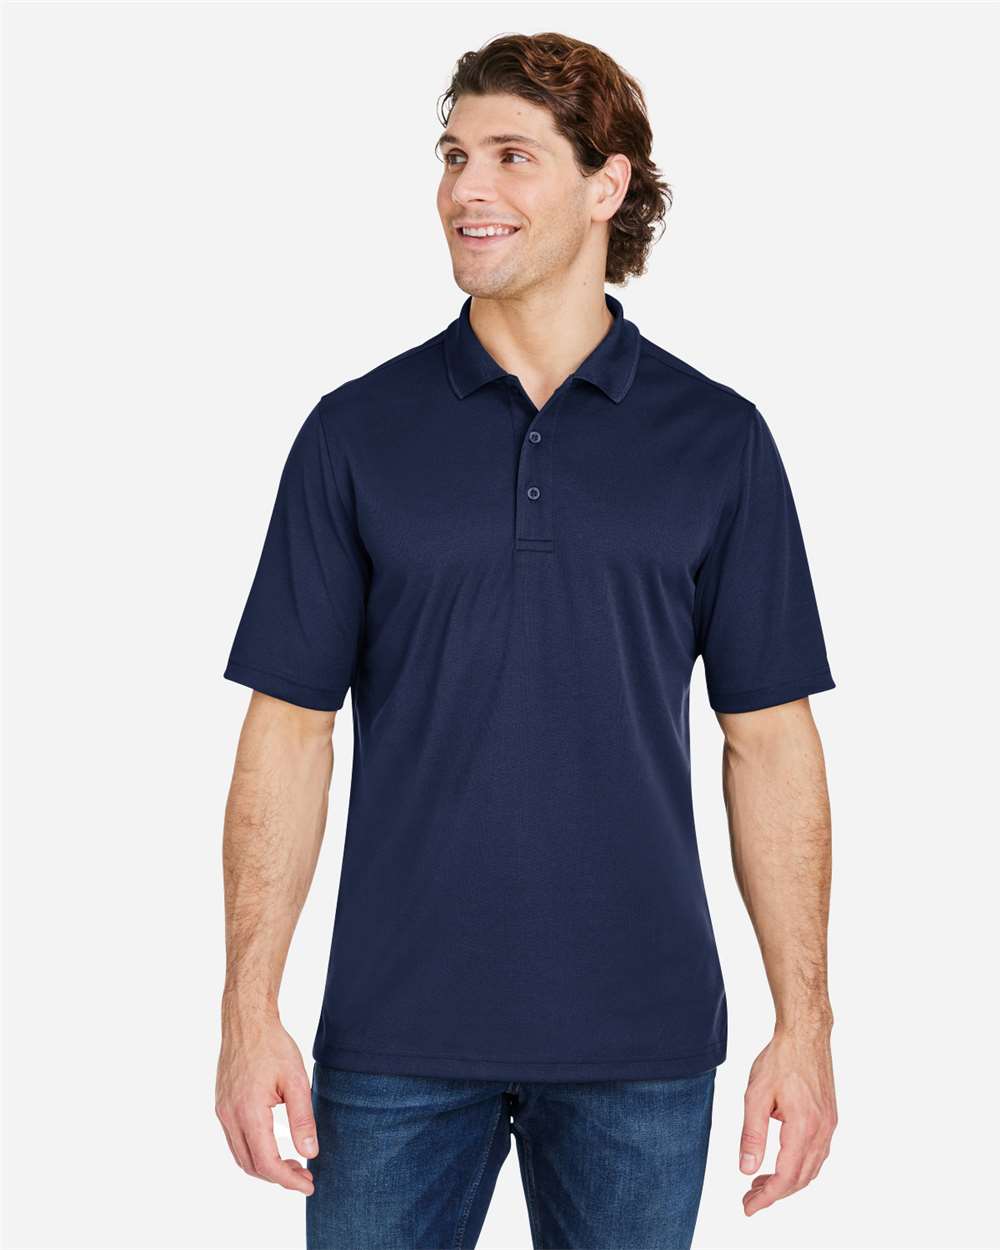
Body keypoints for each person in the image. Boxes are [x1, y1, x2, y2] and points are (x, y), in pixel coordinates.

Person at [215, 30, 838, 1250]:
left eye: (510, 155)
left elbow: (769, 740)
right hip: (392, 1041)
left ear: (607, 186)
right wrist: (247, 1009)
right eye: (453, 155)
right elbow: (287, 732)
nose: (467, 188)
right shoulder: (355, 432)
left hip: (642, 1045)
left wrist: (804, 1025)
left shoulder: (718, 440)